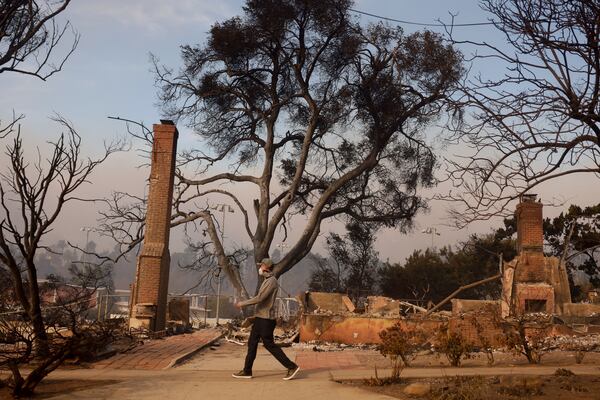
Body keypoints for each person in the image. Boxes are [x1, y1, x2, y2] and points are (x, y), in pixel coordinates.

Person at [232, 258, 300, 380]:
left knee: (269, 344)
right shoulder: (267, 280)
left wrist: (242, 304)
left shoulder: (272, 281)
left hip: (266, 319)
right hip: (260, 317)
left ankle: (291, 366)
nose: (260, 268)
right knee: (252, 343)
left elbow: (260, 298)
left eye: (261, 265)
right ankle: (247, 371)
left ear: (267, 267)